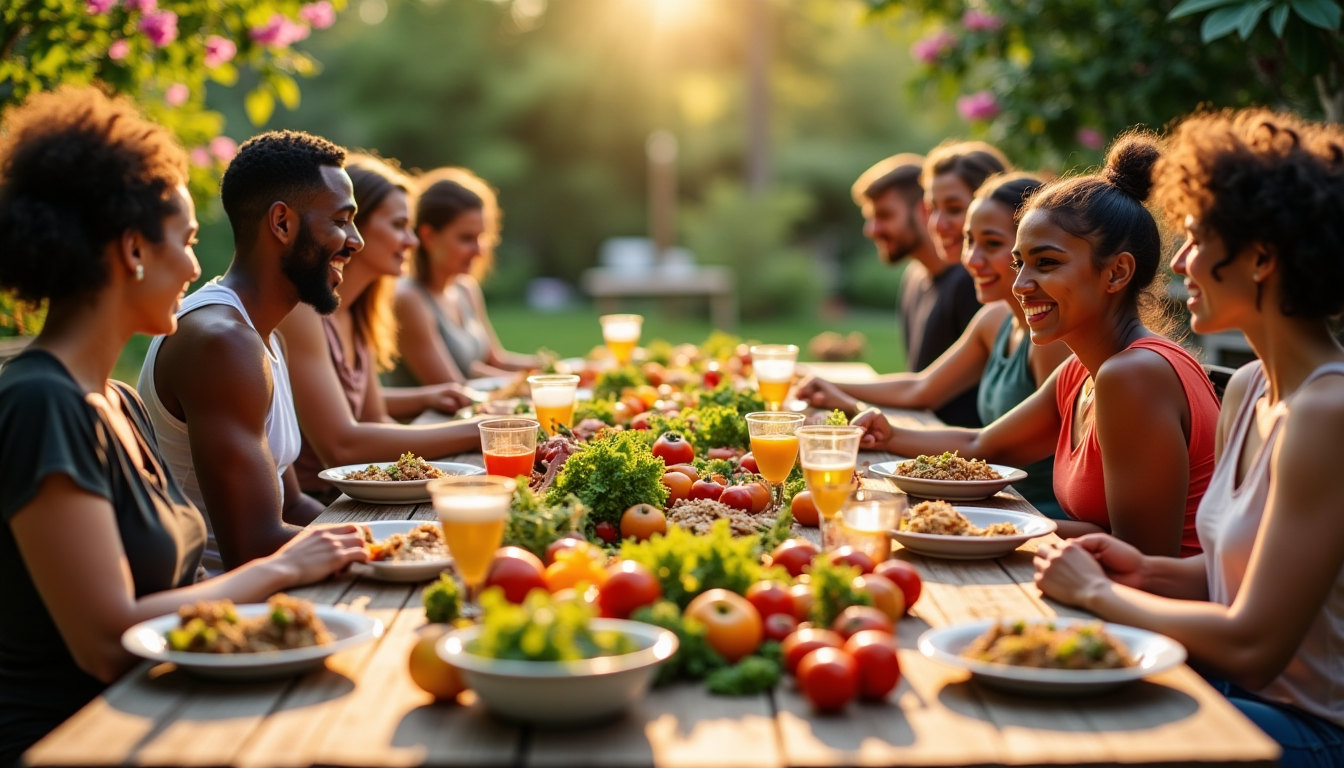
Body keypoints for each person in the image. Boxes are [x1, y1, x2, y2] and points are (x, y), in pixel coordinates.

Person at [0, 87, 368, 766]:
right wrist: (284, 567)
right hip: (81, 738)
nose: (199, 269)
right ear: (133, 249)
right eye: (188, 242)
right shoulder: (40, 404)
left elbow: (177, 589)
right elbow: (108, 642)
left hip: (170, 705)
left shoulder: (116, 402)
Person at [1034, 109, 1344, 768]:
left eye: (1198, 239)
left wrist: (1098, 592)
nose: (1177, 262)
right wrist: (1141, 571)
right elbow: (1237, 579)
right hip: (1241, 693)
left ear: (1262, 257)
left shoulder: (1328, 411)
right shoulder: (1251, 387)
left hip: (1309, 731)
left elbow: (1254, 643)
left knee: (1063, 727)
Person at [852, 134, 1220, 557]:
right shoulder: (1083, 371)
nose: (1022, 285)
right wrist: (887, 434)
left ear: (1117, 273)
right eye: (1018, 262)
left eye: (1046, 263)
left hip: (1153, 614)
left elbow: (1143, 561)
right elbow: (983, 446)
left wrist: (1002, 524)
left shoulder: (1133, 375)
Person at [139, 130, 364, 576]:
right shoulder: (223, 343)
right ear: (282, 223)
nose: (355, 240)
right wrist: (404, 543)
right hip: (225, 609)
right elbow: (254, 547)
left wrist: (404, 533)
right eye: (341, 220)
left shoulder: (259, 334)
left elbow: (292, 503)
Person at [799, 173, 1072, 517]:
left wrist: (870, 419)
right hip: (995, 501)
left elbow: (989, 445)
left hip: (1033, 514)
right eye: (969, 241)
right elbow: (924, 387)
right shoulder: (995, 319)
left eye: (992, 244)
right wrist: (828, 386)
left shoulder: (1053, 342)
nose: (971, 259)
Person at [280, 154, 483, 503]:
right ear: (353, 225)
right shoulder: (303, 311)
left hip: (359, 496)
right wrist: (482, 431)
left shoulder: (360, 312)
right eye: (398, 225)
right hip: (322, 504)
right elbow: (343, 447)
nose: (412, 241)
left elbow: (376, 418)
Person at [387, 168, 536, 386]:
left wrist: (557, 369)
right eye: (466, 238)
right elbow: (454, 387)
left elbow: (495, 361)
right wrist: (538, 384)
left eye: (481, 237)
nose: (479, 250)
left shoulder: (465, 289)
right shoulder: (409, 299)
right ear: (428, 236)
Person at [901, 141, 1010, 427]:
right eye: (932, 208)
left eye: (953, 209)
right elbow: (922, 386)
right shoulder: (993, 313)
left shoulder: (972, 287)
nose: (937, 224)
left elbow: (926, 394)